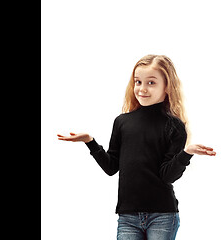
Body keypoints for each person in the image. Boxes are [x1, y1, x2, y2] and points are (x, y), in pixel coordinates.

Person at [57, 55, 216, 240]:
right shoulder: (122, 122)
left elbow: (168, 176)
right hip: (127, 217)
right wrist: (90, 142)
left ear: (167, 87)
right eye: (138, 82)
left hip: (162, 216)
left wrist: (186, 153)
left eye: (151, 82)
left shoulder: (174, 126)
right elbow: (111, 167)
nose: (142, 89)